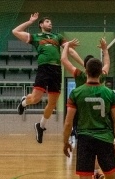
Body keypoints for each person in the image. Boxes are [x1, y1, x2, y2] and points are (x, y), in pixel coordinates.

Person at [13, 13, 77, 143]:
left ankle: (41, 126)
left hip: (56, 70)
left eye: (51, 22)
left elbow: (69, 50)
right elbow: (15, 31)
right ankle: (24, 102)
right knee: (35, 99)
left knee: (52, 104)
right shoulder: (36, 37)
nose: (50, 23)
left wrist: (84, 64)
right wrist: (30, 21)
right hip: (44, 69)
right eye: (47, 21)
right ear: (41, 25)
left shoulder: (57, 37)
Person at [61, 38, 109, 179]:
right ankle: (97, 172)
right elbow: (107, 64)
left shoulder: (80, 76)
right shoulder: (101, 77)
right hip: (101, 123)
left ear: (85, 67)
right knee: (98, 148)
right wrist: (105, 49)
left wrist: (67, 45)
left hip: (83, 118)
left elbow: (63, 59)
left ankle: (92, 174)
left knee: (86, 150)